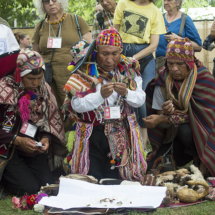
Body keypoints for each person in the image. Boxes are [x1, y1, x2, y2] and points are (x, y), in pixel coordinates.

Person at [62, 28, 147, 181]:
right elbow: (76, 105)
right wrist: (100, 96)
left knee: (115, 180)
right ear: (96, 51)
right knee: (92, 180)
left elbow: (140, 99)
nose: (109, 60)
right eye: (104, 54)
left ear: (120, 51)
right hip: (92, 135)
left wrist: (126, 93)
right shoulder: (84, 70)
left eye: (114, 54)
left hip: (120, 134)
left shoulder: (129, 71)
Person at [0, 23, 66, 196]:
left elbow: (50, 120)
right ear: (19, 74)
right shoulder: (4, 90)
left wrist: (45, 138)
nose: (35, 84)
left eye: (39, 78)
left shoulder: (43, 89)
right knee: (29, 189)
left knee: (47, 185)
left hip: (30, 146)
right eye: (31, 78)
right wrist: (17, 140)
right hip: (6, 146)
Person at [143, 38, 215, 177]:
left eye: (180, 64)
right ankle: (181, 157)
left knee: (186, 130)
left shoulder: (204, 78)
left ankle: (200, 159)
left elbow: (206, 119)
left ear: (189, 63)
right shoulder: (162, 79)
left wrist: (164, 118)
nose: (174, 69)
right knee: (153, 168)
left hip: (205, 133)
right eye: (170, 63)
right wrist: (164, 113)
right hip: (172, 135)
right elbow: (161, 121)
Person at [113, 0, 166, 148]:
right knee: (122, 94)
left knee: (143, 96)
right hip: (122, 55)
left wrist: (133, 59)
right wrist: (118, 56)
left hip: (145, 58)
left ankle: (144, 140)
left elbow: (154, 45)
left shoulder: (155, 11)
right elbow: (115, 33)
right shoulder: (123, 3)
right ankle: (125, 134)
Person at [32, 0, 92, 108]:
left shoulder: (77, 20)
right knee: (52, 110)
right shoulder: (40, 26)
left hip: (74, 76)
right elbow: (35, 56)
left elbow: (90, 50)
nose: (50, 3)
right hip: (48, 78)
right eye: (46, 1)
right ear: (42, 5)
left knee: (75, 109)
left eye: (54, 0)